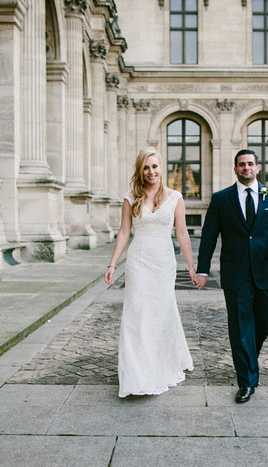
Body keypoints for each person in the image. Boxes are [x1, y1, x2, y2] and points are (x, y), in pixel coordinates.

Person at [195, 149, 268, 403]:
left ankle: (248, 357)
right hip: (235, 273)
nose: (246, 168)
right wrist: (202, 270)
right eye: (242, 164)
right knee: (240, 327)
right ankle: (247, 381)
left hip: (266, 271)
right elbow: (209, 236)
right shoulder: (221, 199)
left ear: (257, 168)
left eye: (250, 164)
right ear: (235, 169)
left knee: (266, 318)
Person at [104, 147, 195, 398]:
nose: (151, 171)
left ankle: (159, 364)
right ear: (140, 170)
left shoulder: (176, 197)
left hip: (164, 262)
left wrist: (191, 265)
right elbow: (124, 232)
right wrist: (112, 264)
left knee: (161, 312)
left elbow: (182, 233)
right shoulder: (130, 197)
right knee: (137, 314)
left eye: (154, 166)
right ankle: (136, 373)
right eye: (146, 167)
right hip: (138, 261)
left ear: (161, 168)